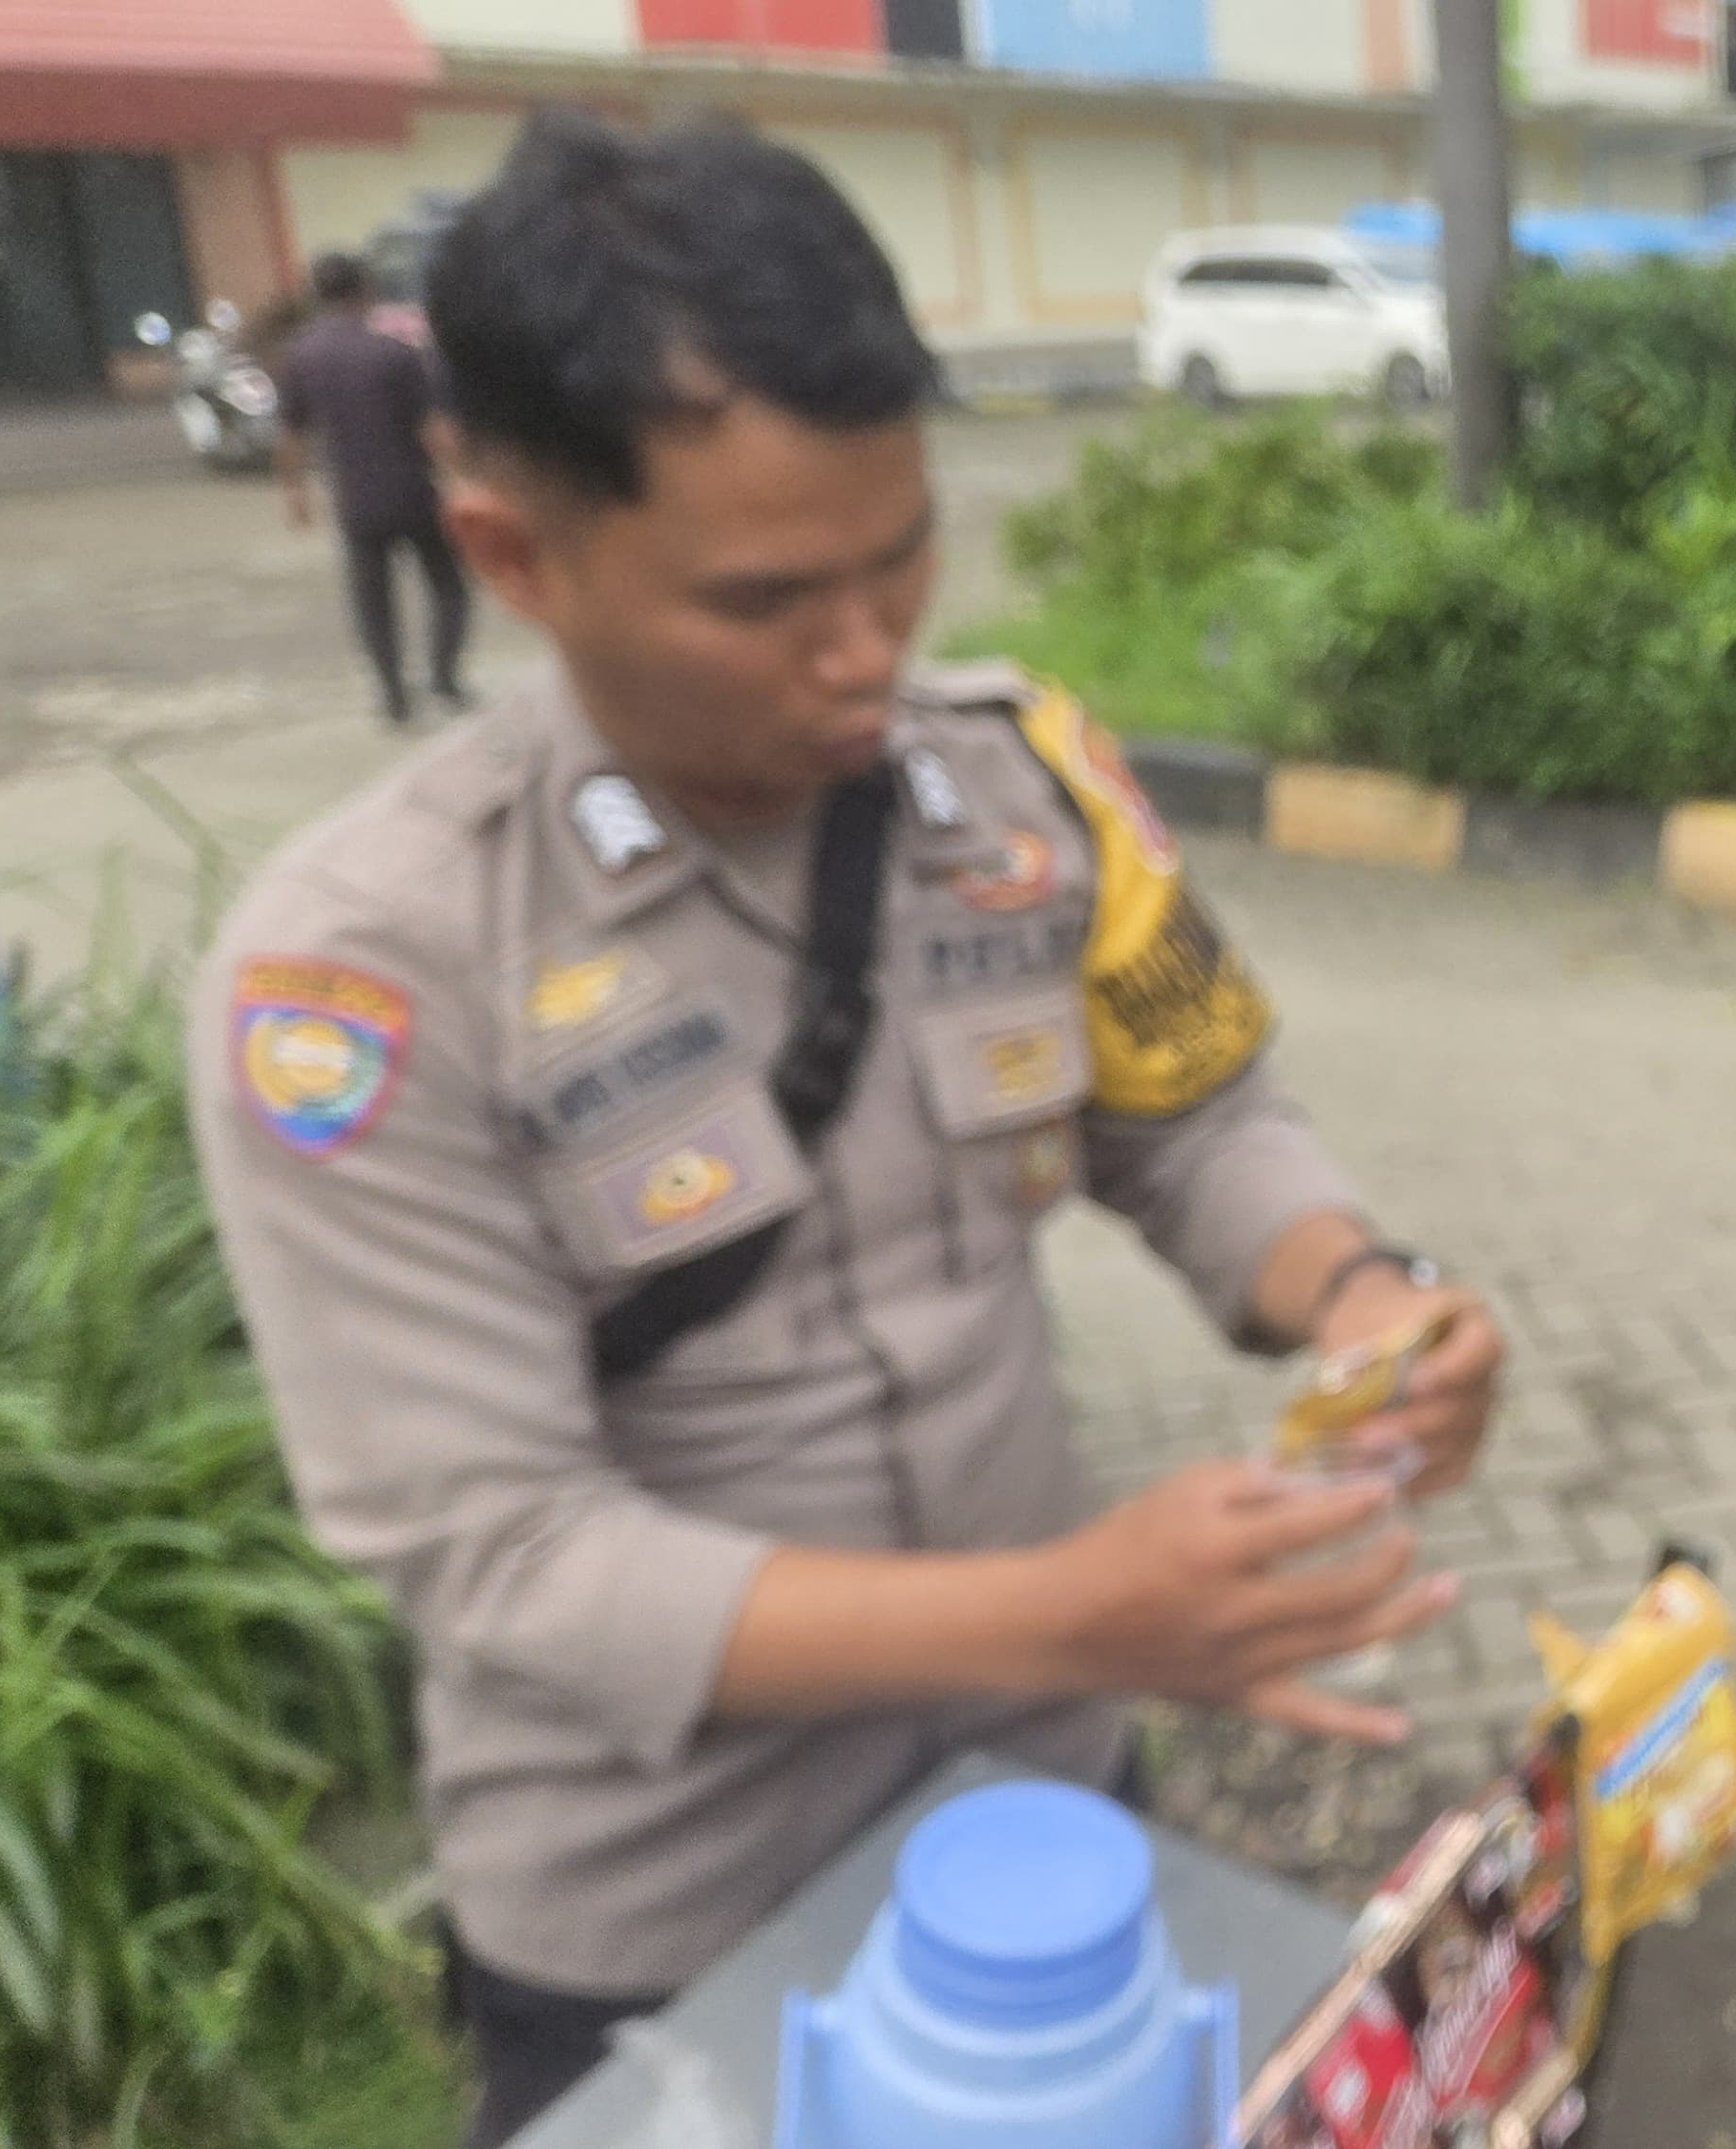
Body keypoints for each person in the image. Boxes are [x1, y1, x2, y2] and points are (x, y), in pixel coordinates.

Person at [188, 110, 1503, 2149]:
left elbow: (1193, 1118)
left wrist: (1360, 1290)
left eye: (902, 556)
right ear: (514, 558)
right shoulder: (369, 975)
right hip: (664, 1910)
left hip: (1054, 1834)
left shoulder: (1011, 788)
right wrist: (1080, 1611)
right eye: (768, 598)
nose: (868, 653)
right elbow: (508, 1557)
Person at [277, 249, 471, 725]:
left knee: (373, 601)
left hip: (356, 499)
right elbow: (434, 429)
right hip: (413, 492)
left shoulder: (301, 356)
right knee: (448, 586)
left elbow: (291, 434)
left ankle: (394, 696)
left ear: (316, 296)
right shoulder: (396, 353)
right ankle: (444, 679)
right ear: (365, 292)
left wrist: (295, 494)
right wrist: (462, 480)